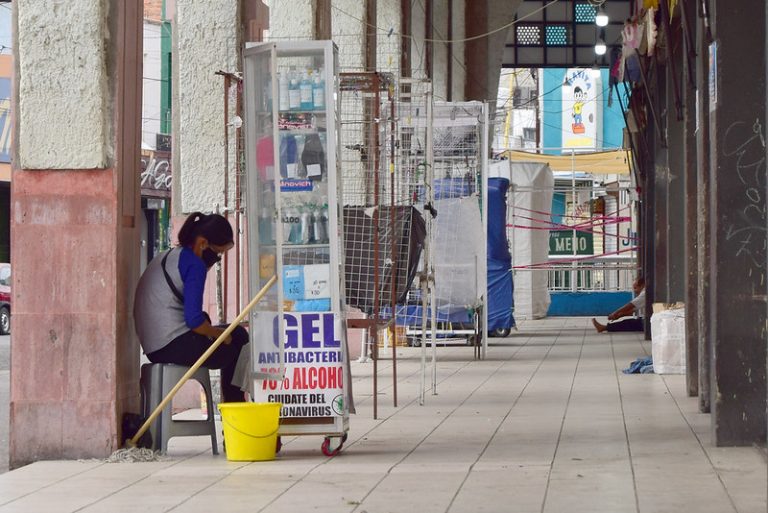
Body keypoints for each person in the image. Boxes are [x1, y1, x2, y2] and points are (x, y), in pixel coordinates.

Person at [134, 212, 248, 403]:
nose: (217, 258)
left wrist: (215, 332)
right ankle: (235, 406)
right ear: (203, 243)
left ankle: (234, 405)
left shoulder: (171, 254)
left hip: (154, 345)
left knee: (228, 332)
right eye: (218, 252)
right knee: (237, 340)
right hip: (171, 345)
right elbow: (194, 321)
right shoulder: (194, 264)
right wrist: (220, 335)